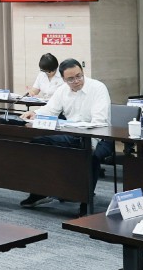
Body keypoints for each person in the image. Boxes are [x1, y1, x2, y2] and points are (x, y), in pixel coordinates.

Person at [22, 59, 113, 208]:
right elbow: (50, 109)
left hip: (100, 136)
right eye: (71, 79)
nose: (76, 81)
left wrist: (84, 135)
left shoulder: (98, 88)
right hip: (73, 134)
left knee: (89, 153)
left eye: (79, 76)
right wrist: (35, 113)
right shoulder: (62, 90)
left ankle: (85, 201)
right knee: (39, 143)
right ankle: (42, 191)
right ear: (63, 79)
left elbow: (100, 121)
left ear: (82, 72)